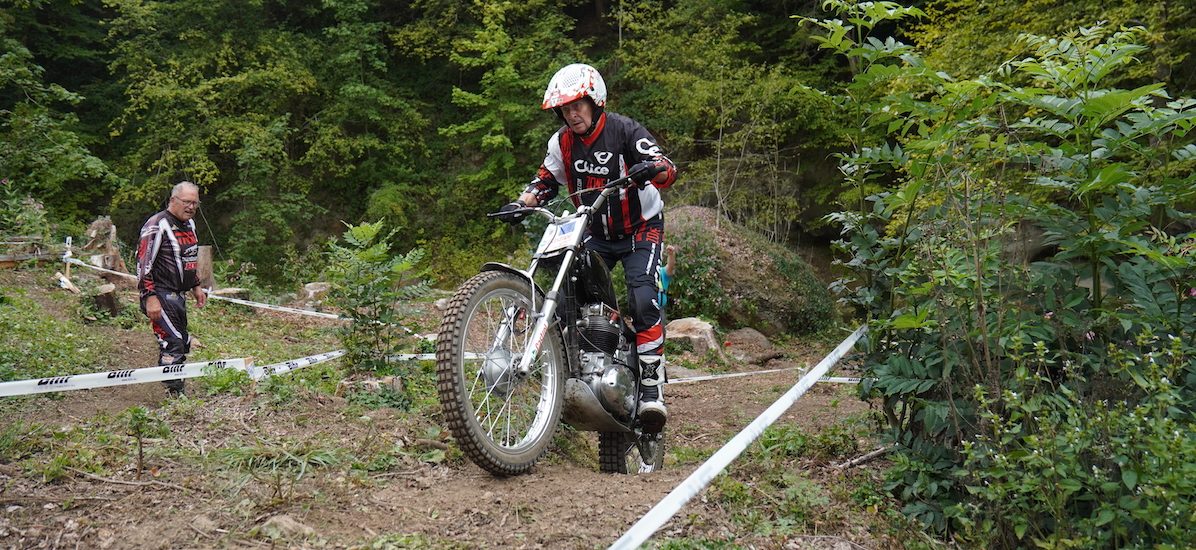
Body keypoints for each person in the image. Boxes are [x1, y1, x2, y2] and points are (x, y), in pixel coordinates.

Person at [499, 63, 678, 433]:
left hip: (639, 229)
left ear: (594, 101)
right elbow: (545, 181)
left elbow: (668, 170)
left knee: (643, 299)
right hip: (592, 228)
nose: (571, 114)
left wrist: (651, 169)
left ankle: (650, 389)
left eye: (577, 105)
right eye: (564, 109)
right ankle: (575, 377)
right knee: (566, 295)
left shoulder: (625, 130)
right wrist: (523, 202)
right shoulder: (561, 143)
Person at [136, 181, 207, 396]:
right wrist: (150, 297)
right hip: (159, 292)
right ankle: (174, 395)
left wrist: (196, 286)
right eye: (186, 202)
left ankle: (170, 386)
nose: (191, 207)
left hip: (179, 294)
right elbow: (143, 263)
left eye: (195, 203)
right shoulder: (157, 224)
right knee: (173, 342)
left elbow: (189, 258)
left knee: (182, 341)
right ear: (173, 200)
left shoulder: (190, 225)